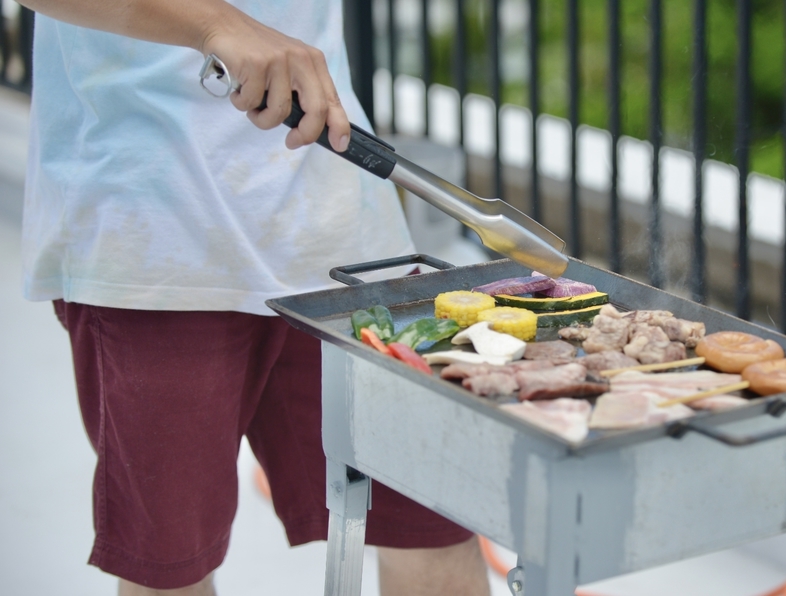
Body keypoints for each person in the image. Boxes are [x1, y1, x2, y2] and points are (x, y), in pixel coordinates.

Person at [18, 1, 490, 594]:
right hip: (152, 237)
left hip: (341, 228)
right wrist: (219, 24)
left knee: (434, 529)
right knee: (172, 569)